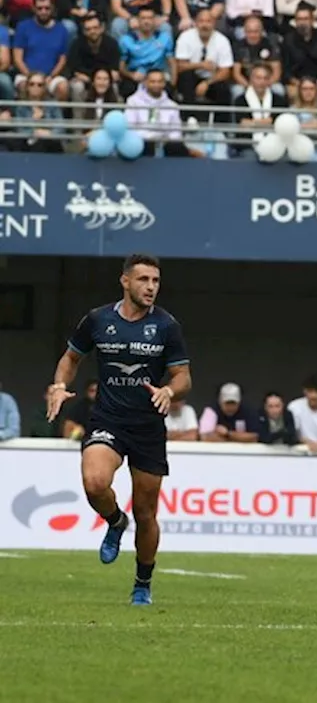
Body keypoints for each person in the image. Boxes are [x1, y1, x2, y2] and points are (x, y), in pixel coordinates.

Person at [44, 254, 192, 607]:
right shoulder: (97, 319)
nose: (151, 287)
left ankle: (143, 582)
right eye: (143, 279)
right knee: (95, 483)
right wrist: (59, 385)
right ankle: (114, 521)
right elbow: (70, 358)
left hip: (147, 428)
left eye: (155, 281)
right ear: (125, 281)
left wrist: (170, 391)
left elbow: (183, 376)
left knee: (146, 512)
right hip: (108, 419)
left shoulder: (167, 326)